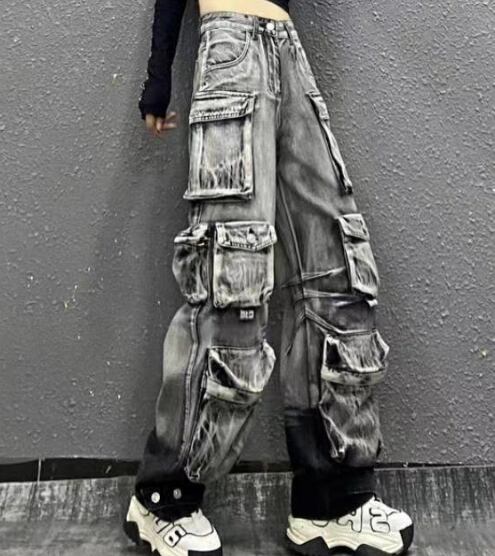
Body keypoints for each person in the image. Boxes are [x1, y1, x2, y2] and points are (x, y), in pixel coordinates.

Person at [124, 1, 415, 555]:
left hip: (287, 49)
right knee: (232, 278)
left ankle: (330, 501)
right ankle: (164, 499)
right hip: (229, 47)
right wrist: (157, 76)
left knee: (336, 271)